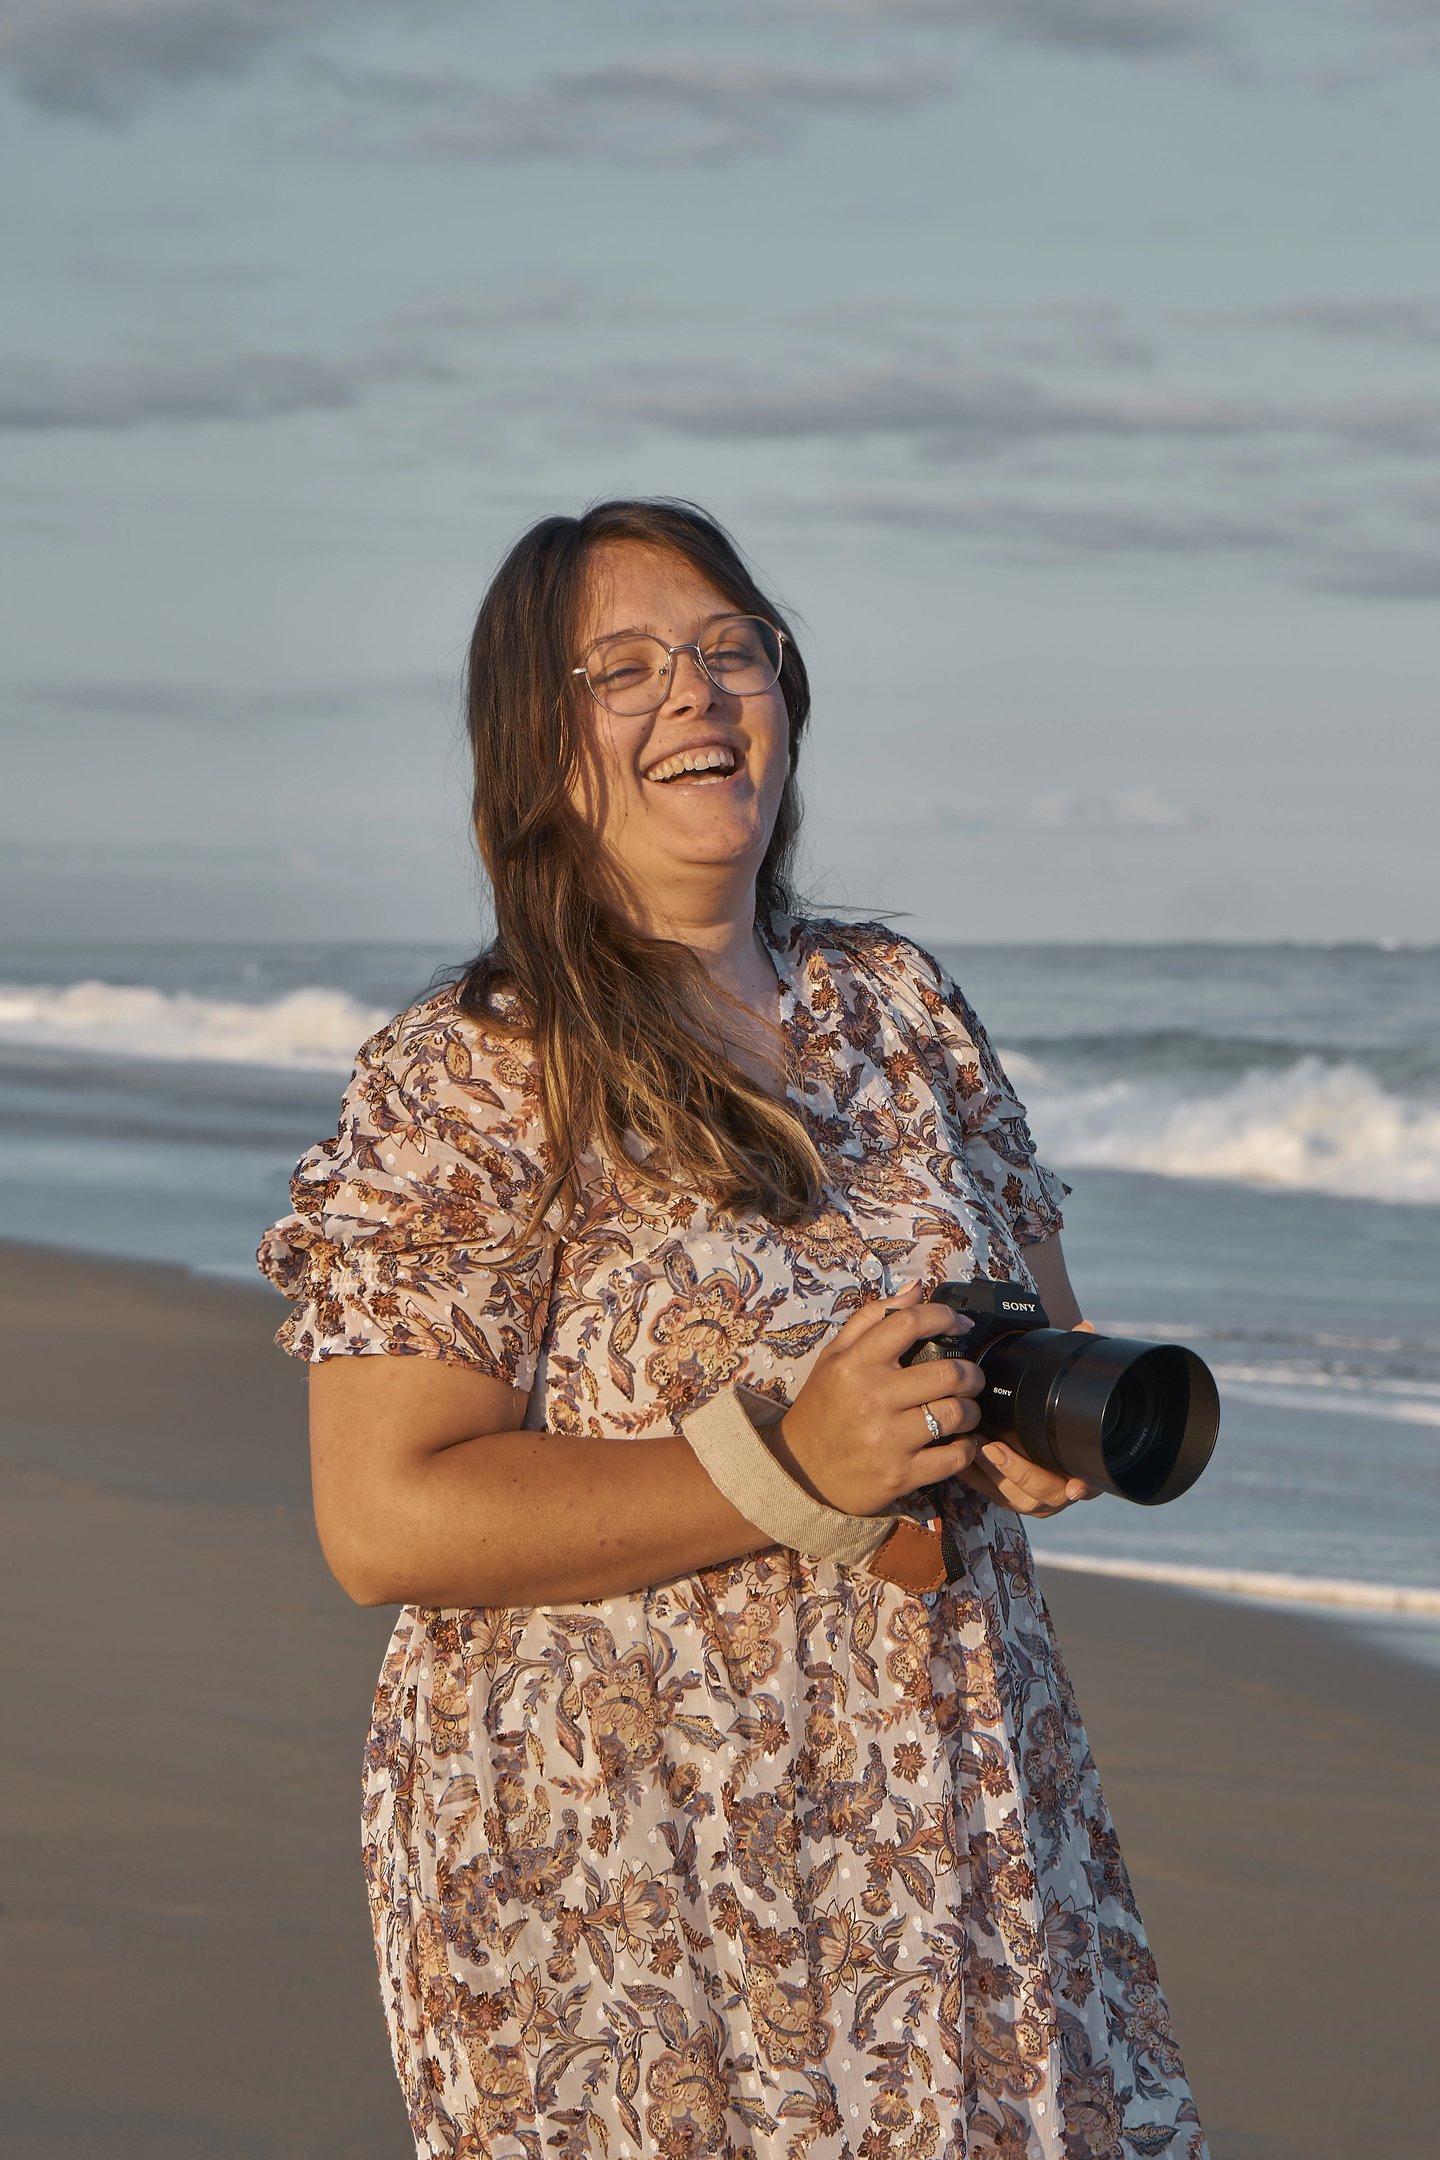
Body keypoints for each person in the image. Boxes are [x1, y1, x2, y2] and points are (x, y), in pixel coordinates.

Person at [258, 499, 1207, 2160]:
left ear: (788, 692)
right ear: (537, 748)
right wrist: (786, 1465)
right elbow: (383, 1514)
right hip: (621, 1861)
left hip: (949, 1808)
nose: (695, 694)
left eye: (729, 650)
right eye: (622, 669)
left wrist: (1028, 1435)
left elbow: (1039, 1326)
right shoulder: (473, 1072)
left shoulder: (898, 1010)